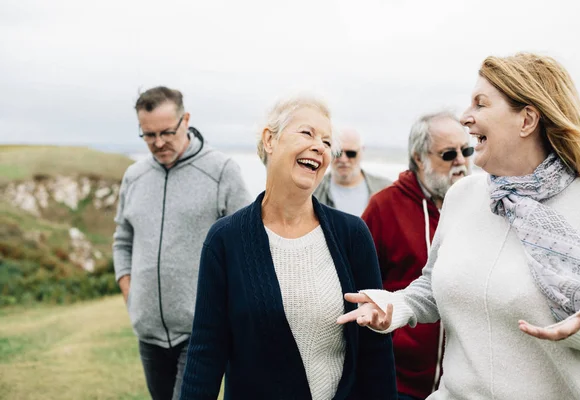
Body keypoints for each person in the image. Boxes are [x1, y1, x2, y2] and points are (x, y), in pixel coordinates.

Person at [338, 53, 580, 399]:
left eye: (481, 104)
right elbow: (432, 284)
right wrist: (395, 307)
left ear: (527, 120)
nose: (466, 117)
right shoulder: (463, 196)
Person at [179, 94, 397, 399]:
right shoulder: (225, 240)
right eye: (307, 133)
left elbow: (376, 353)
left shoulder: (353, 235)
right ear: (270, 140)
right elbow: (205, 354)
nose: (320, 147)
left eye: (326, 141)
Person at [112, 86, 251, 400]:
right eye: (148, 135)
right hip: (147, 331)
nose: (159, 143)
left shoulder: (222, 171)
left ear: (185, 120)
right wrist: (129, 291)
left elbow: (246, 244)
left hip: (201, 330)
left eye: (167, 132)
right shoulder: (134, 177)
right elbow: (122, 240)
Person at [361, 111, 471, 400]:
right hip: (398, 383)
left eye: (467, 150)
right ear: (419, 158)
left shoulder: (479, 206)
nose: (461, 161)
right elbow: (361, 288)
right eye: (449, 154)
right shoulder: (383, 208)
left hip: (463, 384)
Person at [313, 128, 391, 216]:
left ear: (362, 151)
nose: (343, 159)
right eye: (337, 153)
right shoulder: (312, 191)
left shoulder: (385, 189)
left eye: (351, 153)